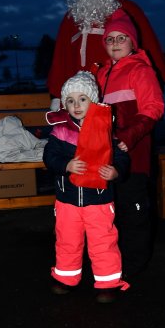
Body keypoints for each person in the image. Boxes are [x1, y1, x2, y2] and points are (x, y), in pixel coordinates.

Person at [43, 70, 130, 303]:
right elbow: (49, 157)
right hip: (67, 201)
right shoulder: (60, 131)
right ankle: (65, 279)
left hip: (99, 201)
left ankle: (108, 283)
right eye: (70, 101)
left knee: (103, 241)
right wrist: (66, 164)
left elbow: (121, 157)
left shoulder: (106, 130)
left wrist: (116, 171)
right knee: (67, 240)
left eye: (83, 99)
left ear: (94, 101)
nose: (76, 105)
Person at [96, 9, 165, 278]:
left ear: (132, 42)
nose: (114, 43)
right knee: (109, 212)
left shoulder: (141, 70)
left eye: (121, 37)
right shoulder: (101, 74)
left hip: (133, 154)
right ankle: (111, 263)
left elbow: (153, 109)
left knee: (133, 210)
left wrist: (129, 136)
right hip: (106, 156)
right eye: (110, 38)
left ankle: (134, 266)